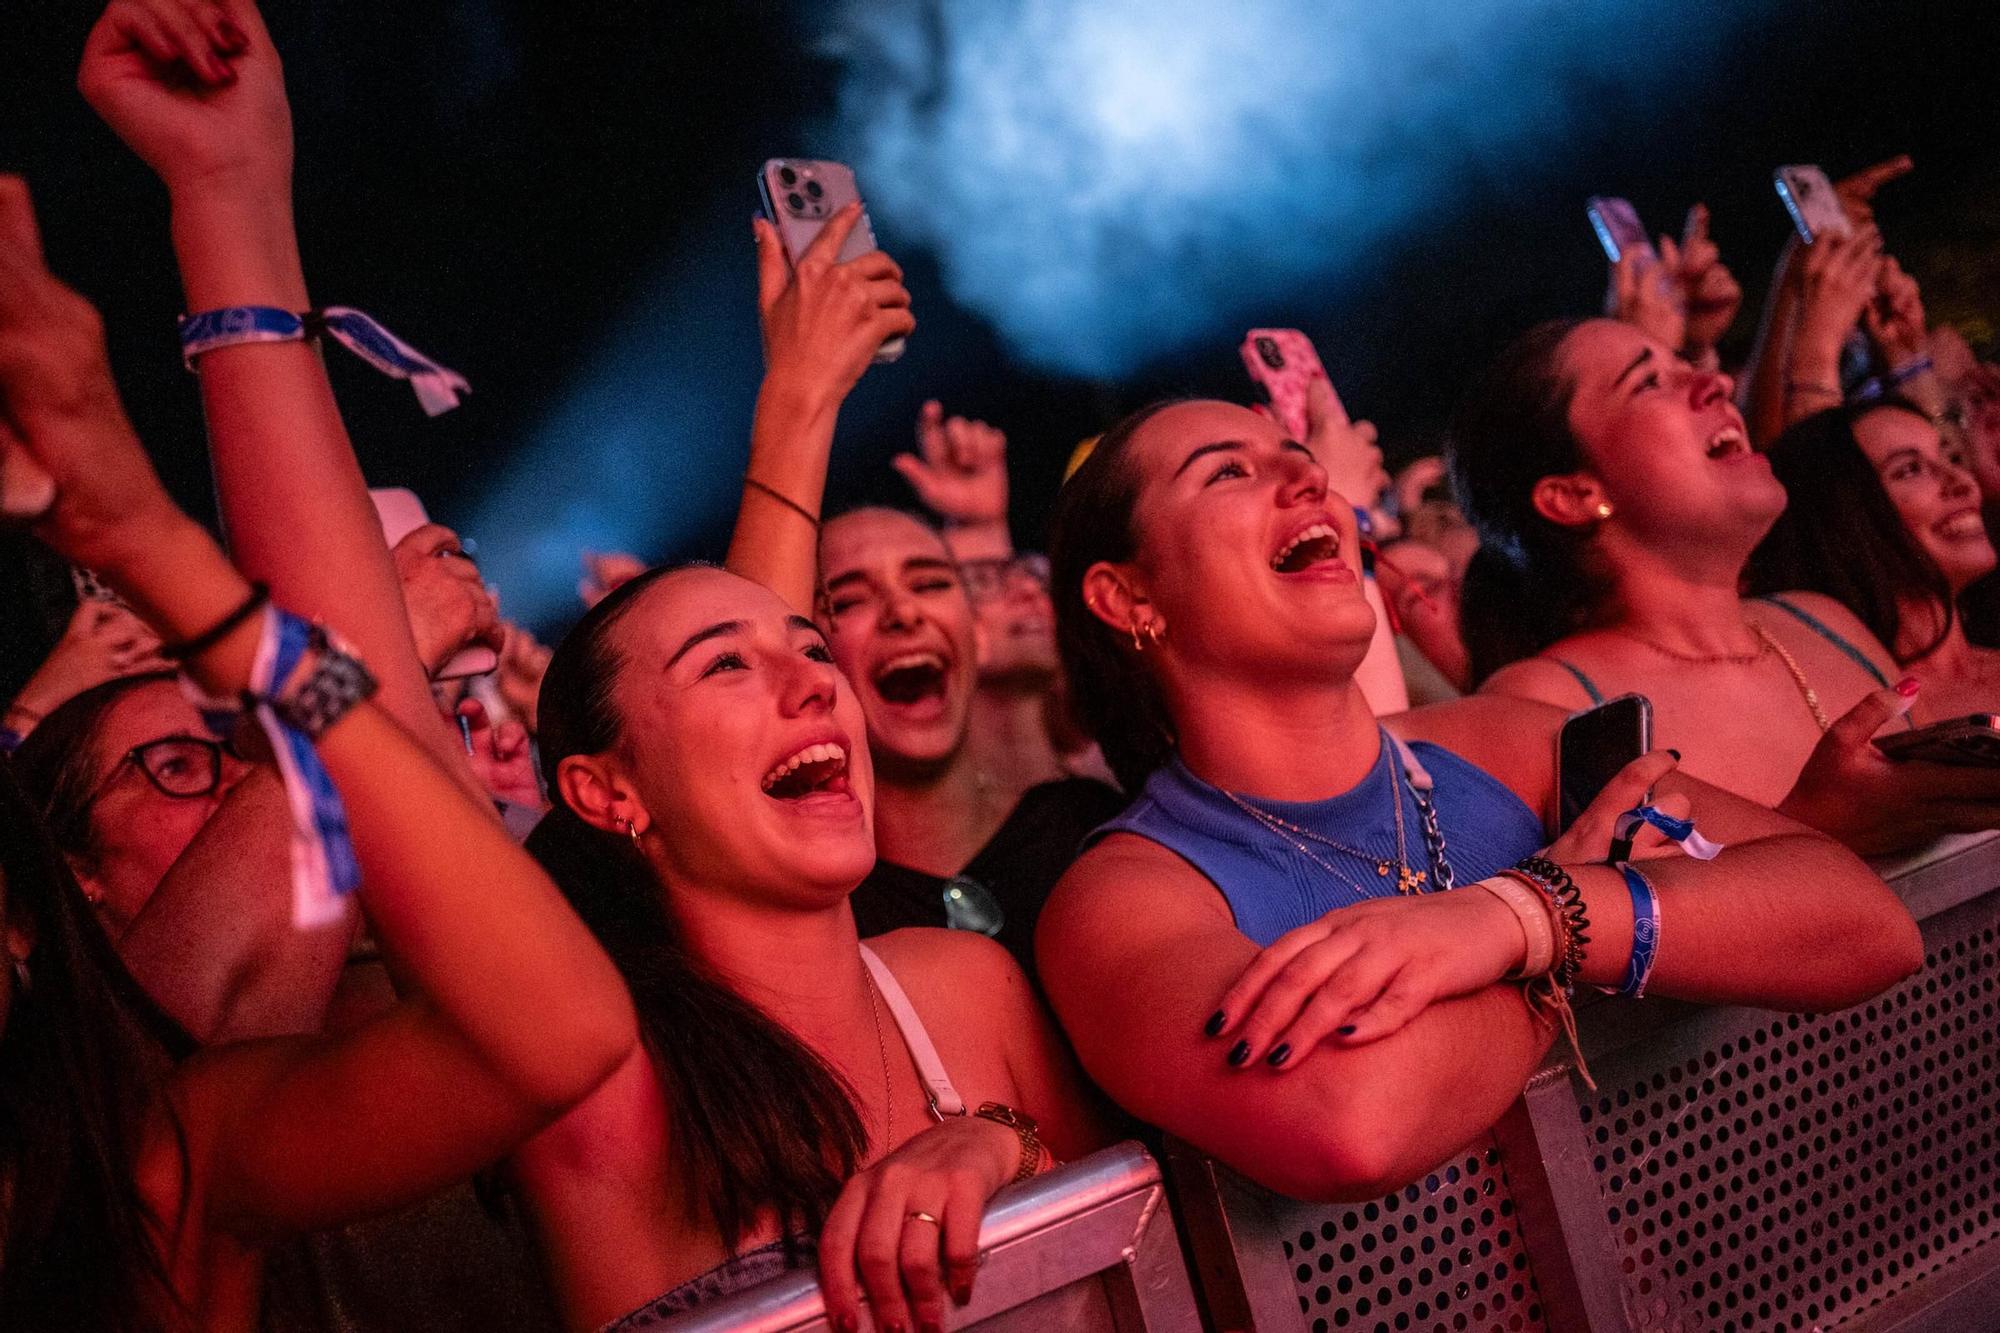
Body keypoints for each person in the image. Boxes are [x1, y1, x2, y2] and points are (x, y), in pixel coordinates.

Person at [0, 166, 636, 1331]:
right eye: (187, 765)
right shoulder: (118, 1152)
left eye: (249, 751)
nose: (262, 783)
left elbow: (568, 1027)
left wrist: (229, 197)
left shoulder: (196, 1141)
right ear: (50, 889)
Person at [1035, 393, 1922, 1202]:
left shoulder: (1502, 740)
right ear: (1128, 596)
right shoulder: (1123, 899)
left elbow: (1865, 922)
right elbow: (1351, 1124)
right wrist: (1573, 913)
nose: (1306, 473)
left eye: (1297, 453)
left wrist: (1519, 917)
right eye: (1229, 470)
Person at [1455, 318, 2000, 854]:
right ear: (1574, 496)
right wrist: (1815, 829)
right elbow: (1602, 929)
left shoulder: (1823, 621)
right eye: (1649, 382)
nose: (1714, 382)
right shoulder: (1545, 704)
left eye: (1686, 365)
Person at [1753, 400, 2000, 717]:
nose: (1962, 483)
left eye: (1951, 457)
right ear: (1843, 518)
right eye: (1910, 469)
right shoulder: (1850, 716)